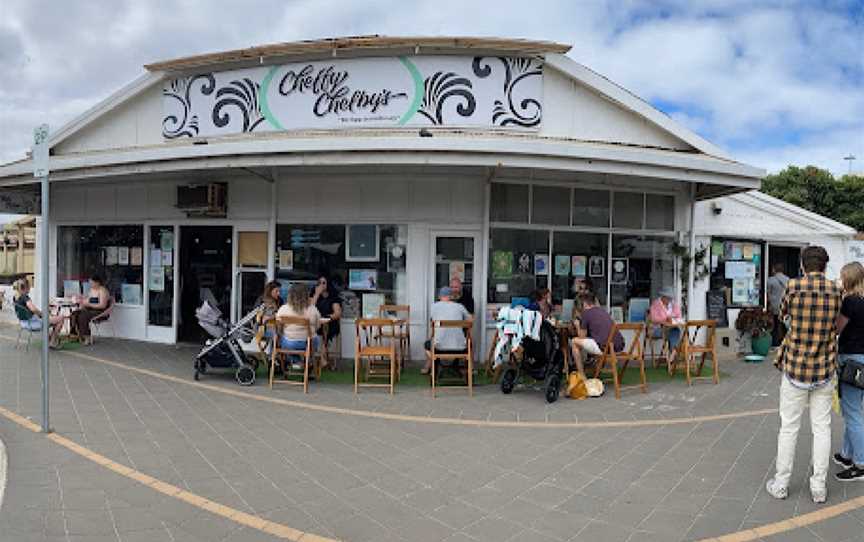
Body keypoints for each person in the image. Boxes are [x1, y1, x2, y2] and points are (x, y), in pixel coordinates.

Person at [766, 246, 842, 504]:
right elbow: (836, 325)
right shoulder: (835, 290)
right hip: (824, 366)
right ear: (824, 265)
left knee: (789, 428)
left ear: (803, 264)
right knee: (822, 428)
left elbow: (782, 314)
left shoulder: (794, 286)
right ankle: (818, 487)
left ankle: (781, 483)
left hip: (795, 366)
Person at [834, 262, 864, 482]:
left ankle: (860, 463)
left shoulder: (850, 301)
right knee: (852, 408)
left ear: (849, 279)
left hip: (852, 360)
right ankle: (847, 454)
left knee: (852, 413)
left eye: (842, 277)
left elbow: (837, 328)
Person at [570, 292, 624, 377]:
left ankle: (582, 375)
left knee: (574, 342)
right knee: (596, 340)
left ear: (583, 304)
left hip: (605, 348)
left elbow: (582, 337)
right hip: (618, 347)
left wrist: (577, 325)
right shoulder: (603, 311)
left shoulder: (586, 313)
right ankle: (596, 372)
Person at [422, 287, 472, 375]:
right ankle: (466, 370)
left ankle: (434, 365)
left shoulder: (434, 306)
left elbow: (432, 321)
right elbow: (470, 320)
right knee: (469, 343)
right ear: (451, 296)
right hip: (460, 348)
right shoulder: (460, 306)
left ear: (440, 296)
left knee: (427, 345)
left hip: (439, 347)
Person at [275, 283, 324, 370]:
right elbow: (318, 326)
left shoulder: (283, 309)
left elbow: (278, 328)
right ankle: (304, 362)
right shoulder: (312, 309)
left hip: (287, 344)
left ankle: (296, 361)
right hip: (306, 344)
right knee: (315, 338)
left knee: (282, 339)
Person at [12, 279, 67, 348]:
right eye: (29, 286)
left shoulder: (15, 297)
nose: (30, 288)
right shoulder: (25, 297)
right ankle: (52, 341)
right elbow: (33, 309)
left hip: (24, 323)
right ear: (26, 287)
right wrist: (42, 315)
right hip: (34, 323)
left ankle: (50, 339)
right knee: (61, 318)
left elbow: (29, 310)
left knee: (52, 317)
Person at [649, 287, 683, 365]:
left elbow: (679, 316)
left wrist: (673, 319)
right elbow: (653, 318)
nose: (669, 300)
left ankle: (673, 352)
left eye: (670, 298)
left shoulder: (673, 304)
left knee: (675, 330)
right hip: (657, 329)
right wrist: (666, 319)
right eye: (667, 298)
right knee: (673, 331)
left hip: (670, 328)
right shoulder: (656, 304)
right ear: (663, 297)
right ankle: (674, 351)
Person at [73, 274, 110, 346]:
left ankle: (87, 337)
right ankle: (76, 335)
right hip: (90, 309)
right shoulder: (92, 290)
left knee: (83, 316)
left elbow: (102, 305)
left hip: (100, 311)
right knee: (75, 314)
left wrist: (89, 304)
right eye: (90, 282)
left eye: (92, 282)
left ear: (97, 282)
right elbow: (88, 299)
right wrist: (82, 301)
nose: (90, 284)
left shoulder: (102, 291)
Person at [312, 275, 342, 345]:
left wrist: (328, 317)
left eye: (324, 283)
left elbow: (337, 313)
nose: (321, 285)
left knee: (325, 326)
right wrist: (316, 294)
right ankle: (311, 350)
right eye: (319, 283)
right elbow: (310, 308)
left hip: (330, 322)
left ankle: (324, 349)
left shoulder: (333, 296)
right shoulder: (313, 295)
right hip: (316, 322)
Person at [767, 263, 790, 347]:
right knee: (785, 324)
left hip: (774, 306)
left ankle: (774, 343)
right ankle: (784, 342)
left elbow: (767, 294)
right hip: (785, 306)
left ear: (774, 270)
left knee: (775, 325)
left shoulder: (770, 280)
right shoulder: (788, 280)